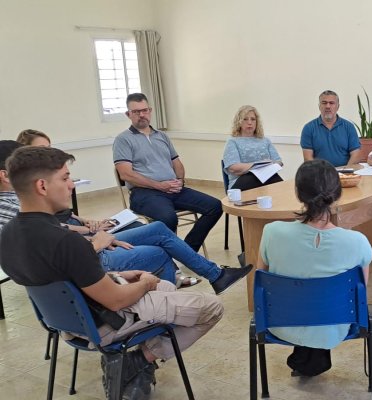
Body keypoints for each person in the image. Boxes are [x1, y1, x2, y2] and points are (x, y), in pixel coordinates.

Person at [0, 146, 224, 399]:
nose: (71, 185)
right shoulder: (66, 242)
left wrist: (120, 277)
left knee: (168, 288)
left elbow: (65, 279)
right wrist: (147, 282)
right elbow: (117, 300)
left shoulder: (8, 235)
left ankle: (135, 366)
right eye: (64, 178)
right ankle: (139, 360)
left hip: (65, 322)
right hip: (104, 324)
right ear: (42, 186)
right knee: (211, 306)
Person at [1, 138, 251, 293]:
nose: (72, 184)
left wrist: (90, 228)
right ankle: (162, 322)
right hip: (94, 263)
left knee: (159, 231)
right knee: (160, 249)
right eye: (65, 178)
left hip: (78, 272)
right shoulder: (26, 218)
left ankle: (213, 276)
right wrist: (95, 240)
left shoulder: (22, 219)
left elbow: (56, 232)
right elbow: (62, 242)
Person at [256, 159, 372, 376]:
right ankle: (311, 358)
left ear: (299, 193)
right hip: (336, 324)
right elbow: (360, 292)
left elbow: (262, 279)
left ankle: (306, 358)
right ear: (337, 194)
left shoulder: (271, 232)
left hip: (281, 322)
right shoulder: (357, 241)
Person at [113, 93, 223, 253]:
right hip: (144, 193)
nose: (141, 115)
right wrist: (159, 186)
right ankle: (167, 260)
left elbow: (176, 163)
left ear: (150, 110)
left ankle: (187, 250)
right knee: (168, 217)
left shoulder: (162, 136)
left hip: (172, 189)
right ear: (128, 114)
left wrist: (180, 180)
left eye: (144, 110)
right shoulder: (123, 140)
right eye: (136, 112)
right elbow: (126, 174)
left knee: (215, 206)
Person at [222, 105, 283, 190]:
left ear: (257, 122)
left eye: (253, 119)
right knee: (255, 176)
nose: (250, 122)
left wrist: (268, 167)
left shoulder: (265, 140)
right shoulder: (233, 141)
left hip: (265, 180)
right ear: (239, 122)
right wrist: (257, 166)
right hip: (240, 182)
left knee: (275, 179)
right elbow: (233, 168)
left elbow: (279, 162)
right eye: (245, 119)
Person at [301, 90, 361, 167]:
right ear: (319, 106)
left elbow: (356, 155)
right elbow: (307, 158)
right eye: (324, 103)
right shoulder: (309, 128)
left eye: (331, 103)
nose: (328, 106)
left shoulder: (349, 127)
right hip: (319, 174)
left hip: (344, 173)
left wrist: (345, 172)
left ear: (338, 106)